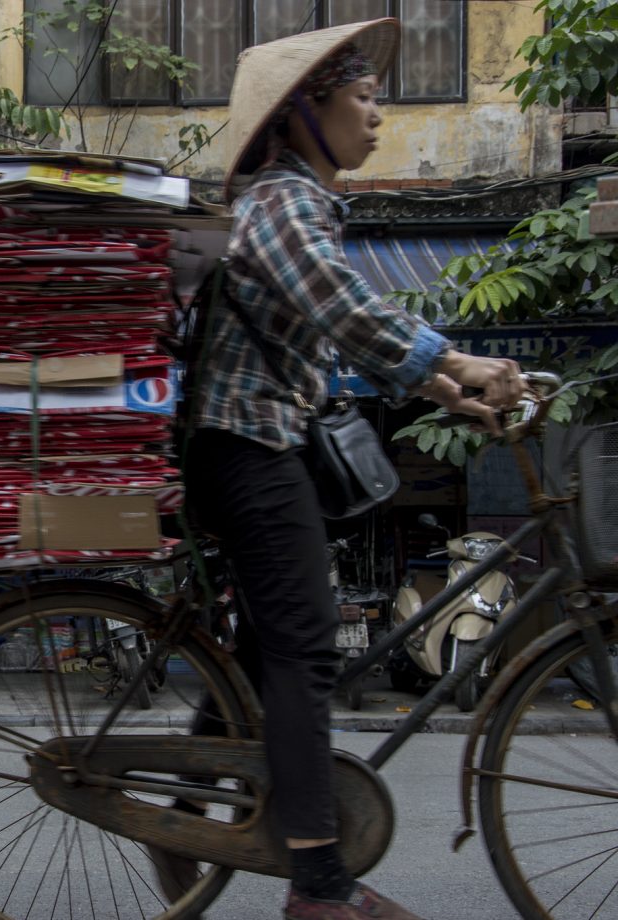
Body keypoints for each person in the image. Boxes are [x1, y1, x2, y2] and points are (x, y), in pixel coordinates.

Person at [186, 19, 527, 920]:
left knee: (266, 654)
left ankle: (180, 819)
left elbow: (355, 328)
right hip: (245, 444)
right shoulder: (281, 204)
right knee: (305, 649)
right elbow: (347, 314)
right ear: (305, 110)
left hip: (265, 442)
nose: (379, 116)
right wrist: (458, 363)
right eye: (364, 98)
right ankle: (319, 887)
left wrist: (451, 391)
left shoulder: (297, 203)